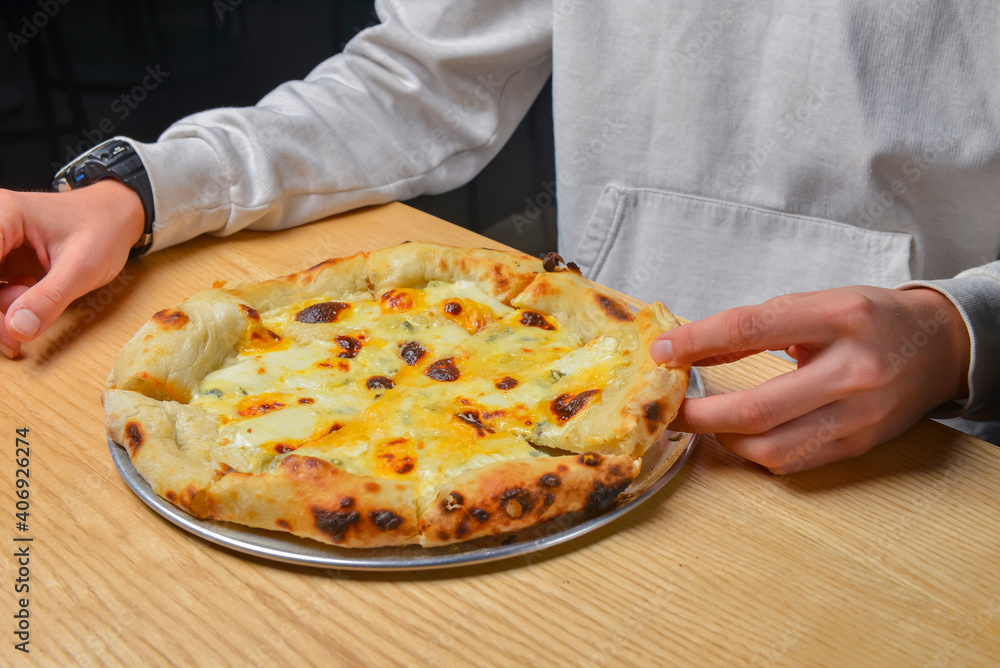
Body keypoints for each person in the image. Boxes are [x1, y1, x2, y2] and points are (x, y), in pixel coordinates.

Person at [1, 2, 997, 472]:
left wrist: (961, 330)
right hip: (556, 408)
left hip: (918, 452)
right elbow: (426, 81)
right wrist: (147, 185)